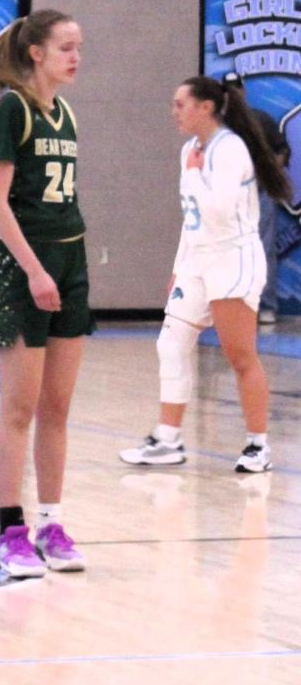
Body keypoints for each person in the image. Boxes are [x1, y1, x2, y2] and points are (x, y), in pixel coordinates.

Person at [119, 75, 291, 475]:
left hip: (233, 259)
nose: (174, 111)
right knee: (170, 343)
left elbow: (218, 208)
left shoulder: (231, 150)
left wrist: (196, 175)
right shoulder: (190, 150)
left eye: (181, 104)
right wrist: (180, 265)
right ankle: (167, 438)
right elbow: (192, 217)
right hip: (199, 260)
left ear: (206, 108)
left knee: (240, 356)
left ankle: (258, 445)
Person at [0, 10, 91, 579]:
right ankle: (10, 530)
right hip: (24, 269)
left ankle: (52, 522)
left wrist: (62, 270)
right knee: (19, 407)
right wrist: (36, 271)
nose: (76, 56)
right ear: (37, 53)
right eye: (66, 46)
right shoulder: (12, 110)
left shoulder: (64, 113)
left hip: (70, 261)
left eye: (79, 47)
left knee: (58, 407)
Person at [220, 71, 290, 326]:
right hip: (227, 196)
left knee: (263, 248)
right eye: (228, 91)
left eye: (236, 89)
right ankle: (229, 307)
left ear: (243, 91)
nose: (233, 95)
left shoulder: (261, 119)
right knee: (225, 250)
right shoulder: (219, 126)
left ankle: (266, 305)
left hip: (259, 193)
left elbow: (282, 151)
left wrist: (268, 172)